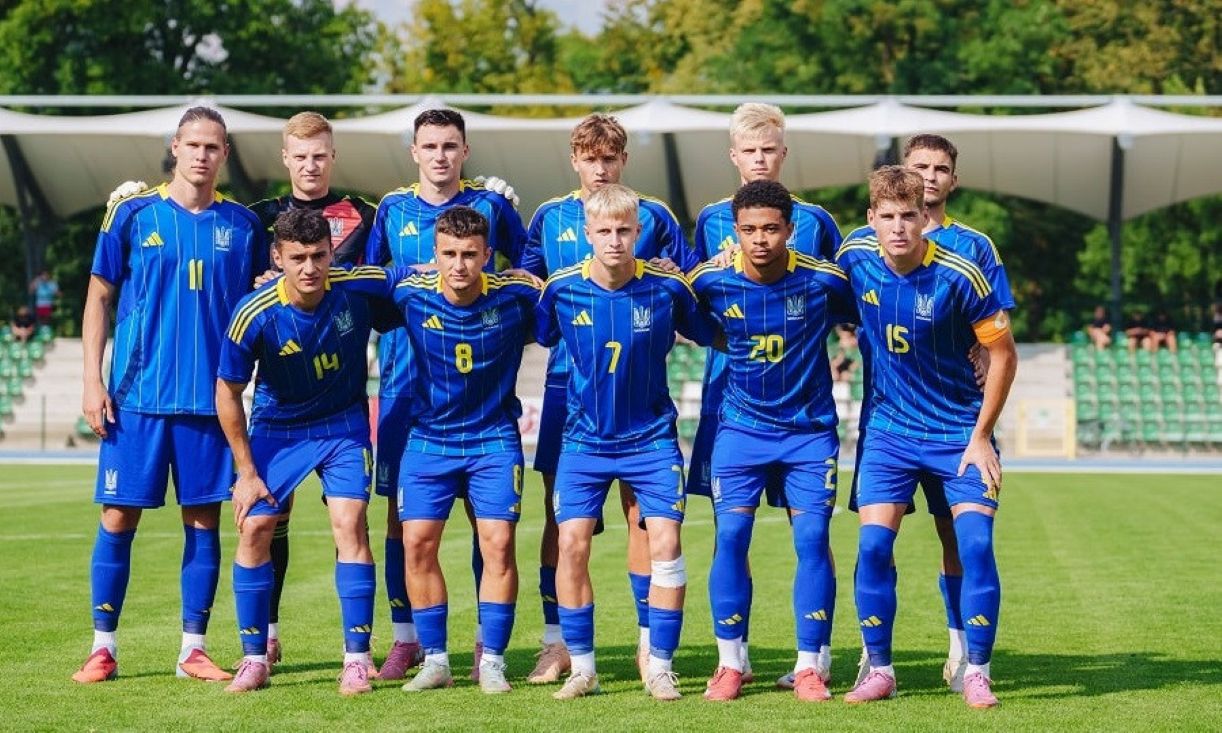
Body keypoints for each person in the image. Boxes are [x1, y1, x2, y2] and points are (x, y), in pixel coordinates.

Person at [73, 106, 267, 684]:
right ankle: (102, 648)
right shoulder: (132, 214)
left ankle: (192, 651)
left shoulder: (244, 226)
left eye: (213, 146)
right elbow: (98, 296)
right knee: (117, 517)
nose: (202, 155)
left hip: (210, 402)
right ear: (175, 147)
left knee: (203, 522)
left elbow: (262, 302)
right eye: (193, 144)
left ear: (224, 154)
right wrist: (91, 380)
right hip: (136, 397)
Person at [520, 113, 698, 684]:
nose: (599, 168)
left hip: (639, 391)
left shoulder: (656, 216)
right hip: (569, 390)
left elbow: (689, 279)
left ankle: (649, 643)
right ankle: (559, 644)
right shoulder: (550, 216)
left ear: (623, 160)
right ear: (575, 160)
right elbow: (525, 281)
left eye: (609, 158)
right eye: (590, 158)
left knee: (643, 519)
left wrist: (679, 269)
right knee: (563, 523)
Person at [845, 133, 1020, 695]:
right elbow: (800, 285)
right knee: (873, 545)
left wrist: (982, 436)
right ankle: (878, 667)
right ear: (872, 219)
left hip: (957, 431)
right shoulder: (853, 257)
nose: (898, 226)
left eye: (909, 216)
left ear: (925, 218)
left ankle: (975, 669)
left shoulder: (964, 268)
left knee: (972, 544)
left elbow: (1003, 352)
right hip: (889, 431)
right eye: (888, 216)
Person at [363, 108, 529, 681]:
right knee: (404, 527)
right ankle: (409, 641)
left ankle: (488, 648)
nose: (440, 155)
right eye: (430, 145)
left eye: (450, 145)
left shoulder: (493, 205)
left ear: (465, 151)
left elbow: (531, 265)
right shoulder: (392, 209)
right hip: (407, 393)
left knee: (494, 531)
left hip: (484, 400)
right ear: (414, 151)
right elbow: (365, 281)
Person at [216, 209, 408, 695]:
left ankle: (357, 659)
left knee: (350, 523)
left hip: (342, 426)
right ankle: (254, 658)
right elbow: (226, 392)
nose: (309, 268)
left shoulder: (357, 286)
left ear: (331, 254)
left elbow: (418, 275)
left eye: (319, 256)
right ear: (277, 257)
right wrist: (246, 472)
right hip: (278, 429)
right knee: (255, 526)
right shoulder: (253, 312)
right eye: (297, 258)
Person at [689, 103, 843, 685]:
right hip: (736, 411)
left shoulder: (819, 238)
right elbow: (682, 302)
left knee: (812, 535)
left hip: (807, 420)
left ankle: (812, 660)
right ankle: (733, 660)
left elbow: (863, 302)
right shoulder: (709, 236)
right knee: (730, 533)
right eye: (749, 150)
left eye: (768, 149)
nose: (760, 238)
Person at [237, 111, 378, 667]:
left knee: (350, 521)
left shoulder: (363, 215)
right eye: (301, 156)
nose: (311, 165)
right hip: (281, 391)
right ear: (286, 159)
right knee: (272, 517)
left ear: (333, 156)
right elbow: (240, 286)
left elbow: (385, 279)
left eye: (320, 155)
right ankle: (267, 633)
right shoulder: (258, 217)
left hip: (340, 385)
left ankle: (360, 650)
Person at [390, 206, 541, 695]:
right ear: (434, 254)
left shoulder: (517, 296)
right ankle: (435, 660)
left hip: (492, 440)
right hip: (428, 439)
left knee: (497, 545)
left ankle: (492, 660)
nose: (459, 265)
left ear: (488, 255)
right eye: (450, 254)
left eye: (471, 255)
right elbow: (343, 282)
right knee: (417, 544)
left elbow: (563, 299)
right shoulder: (409, 292)